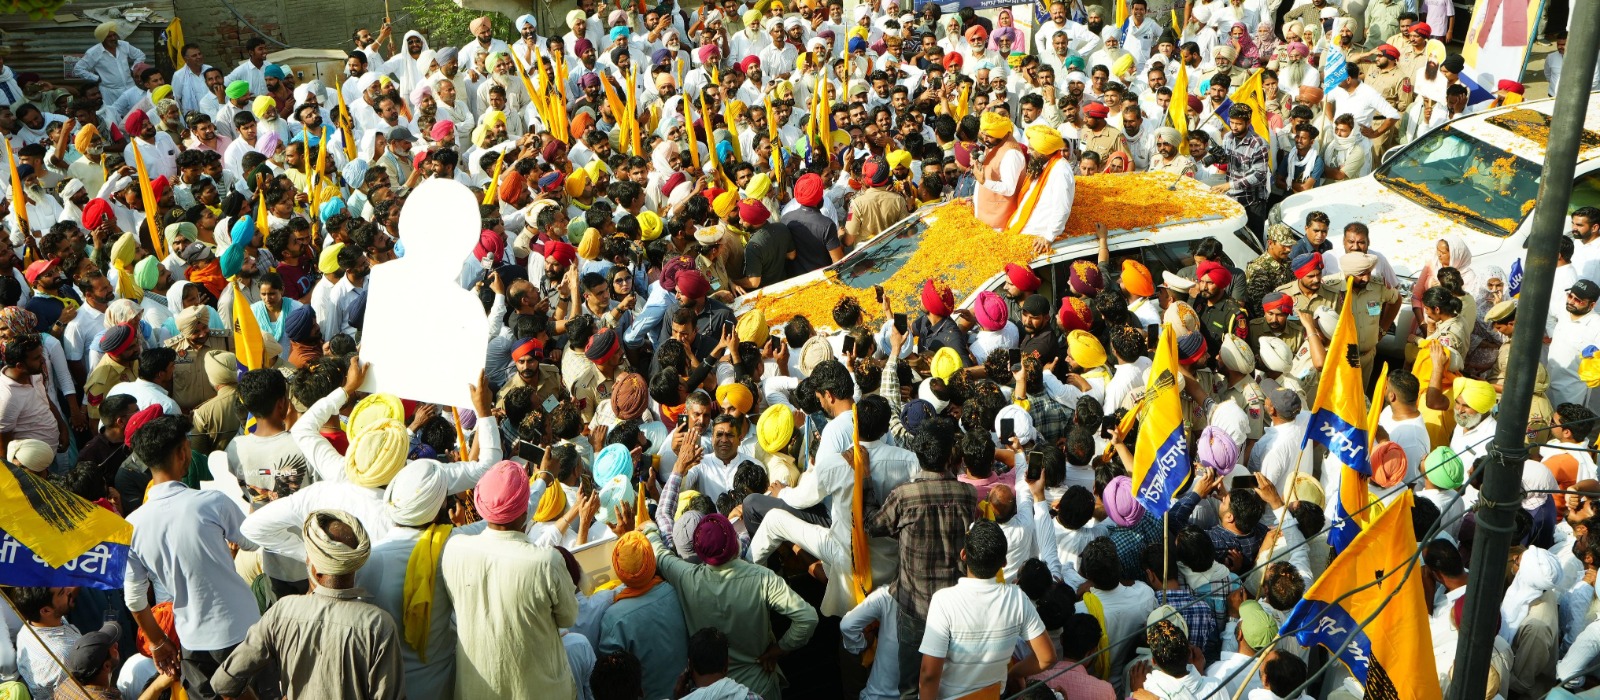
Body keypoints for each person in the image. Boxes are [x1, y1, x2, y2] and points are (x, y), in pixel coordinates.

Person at [123, 412, 265, 700]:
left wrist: (158, 642)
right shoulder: (212, 502)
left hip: (193, 640)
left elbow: (135, 600)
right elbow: (252, 541)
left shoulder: (132, 525)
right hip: (242, 629)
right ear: (183, 453)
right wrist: (258, 501)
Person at [212, 509, 404, 698]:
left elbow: (224, 682)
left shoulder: (282, 611)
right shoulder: (378, 625)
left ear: (315, 569)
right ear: (355, 563)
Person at [442, 460, 579, 698]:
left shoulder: (455, 548)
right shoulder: (546, 562)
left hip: (477, 691)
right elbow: (569, 617)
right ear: (526, 510)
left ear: (481, 504)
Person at [918, 520, 1057, 699]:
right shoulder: (1018, 599)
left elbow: (929, 675)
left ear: (963, 555)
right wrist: (1012, 673)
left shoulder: (943, 601)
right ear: (1004, 562)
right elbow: (1047, 658)